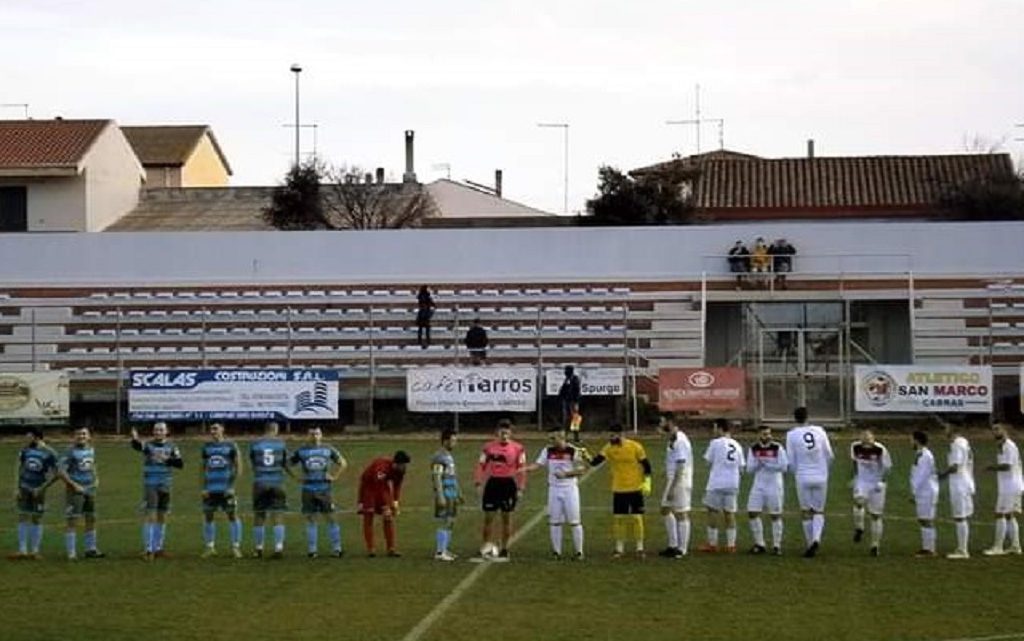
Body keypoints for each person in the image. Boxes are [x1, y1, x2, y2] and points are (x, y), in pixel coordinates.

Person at [586, 423, 652, 558]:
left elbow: (647, 466)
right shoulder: (609, 448)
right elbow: (595, 462)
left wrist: (647, 483)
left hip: (635, 488)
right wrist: (585, 455)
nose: (610, 438)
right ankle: (619, 548)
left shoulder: (635, 447)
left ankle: (639, 548)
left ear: (621, 434)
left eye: (612, 435)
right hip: (619, 488)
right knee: (619, 519)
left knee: (636, 518)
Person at [522, 430, 587, 560]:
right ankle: (556, 552)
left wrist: (566, 474)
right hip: (554, 489)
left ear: (561, 437)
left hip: (570, 489)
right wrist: (526, 469)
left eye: (553, 438)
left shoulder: (573, 450)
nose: (551, 441)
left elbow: (582, 469)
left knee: (574, 521)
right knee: (555, 521)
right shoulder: (547, 450)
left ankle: (579, 551)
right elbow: (538, 464)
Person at [474, 419, 527, 561]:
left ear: (511, 433)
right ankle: (485, 546)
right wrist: (478, 482)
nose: (504, 434)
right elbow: (481, 465)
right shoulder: (488, 448)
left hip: (508, 484)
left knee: (507, 518)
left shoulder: (518, 448)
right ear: (497, 432)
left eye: (507, 432)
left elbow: (521, 469)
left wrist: (521, 487)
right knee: (488, 518)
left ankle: (505, 548)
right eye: (502, 432)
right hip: (493, 484)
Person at [290, 426, 346, 558]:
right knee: (311, 519)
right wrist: (296, 477)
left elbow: (343, 463)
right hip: (308, 489)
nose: (315, 436)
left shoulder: (328, 449)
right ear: (307, 436)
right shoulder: (301, 451)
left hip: (324, 489)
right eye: (312, 434)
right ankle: (312, 550)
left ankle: (337, 549)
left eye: (317, 433)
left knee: (331, 518)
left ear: (321, 435)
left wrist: (334, 476)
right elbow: (287, 463)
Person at [131, 422, 184, 561]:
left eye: (161, 430)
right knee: (151, 515)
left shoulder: (172, 446)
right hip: (151, 484)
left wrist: (168, 460)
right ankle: (148, 549)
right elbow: (137, 446)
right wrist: (134, 438)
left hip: (165, 484)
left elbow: (180, 464)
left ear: (167, 432)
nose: (158, 432)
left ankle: (158, 548)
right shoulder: (148, 445)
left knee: (162, 516)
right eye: (156, 430)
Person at [785, 407, 834, 558]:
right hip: (820, 476)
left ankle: (809, 543)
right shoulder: (820, 431)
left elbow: (790, 460)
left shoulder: (791, 435)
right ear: (808, 417)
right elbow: (830, 455)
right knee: (819, 510)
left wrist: (796, 473)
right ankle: (816, 539)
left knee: (806, 512)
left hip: (803, 476)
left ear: (794, 418)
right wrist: (824, 470)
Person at [10, 428, 59, 560]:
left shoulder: (49, 453)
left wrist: (43, 487)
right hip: (24, 488)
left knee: (37, 518)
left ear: (37, 438)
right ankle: (22, 550)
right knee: (22, 516)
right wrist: (17, 487)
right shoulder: (25, 450)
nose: (26, 440)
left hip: (38, 491)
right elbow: (19, 468)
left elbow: (57, 473)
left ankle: (35, 551)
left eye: (29, 437)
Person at [699, 419, 745, 553]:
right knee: (729, 513)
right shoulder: (737, 445)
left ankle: (712, 544)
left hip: (717, 482)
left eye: (715, 428)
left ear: (719, 428)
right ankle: (731, 545)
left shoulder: (715, 443)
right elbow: (742, 468)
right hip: (733, 483)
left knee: (713, 511)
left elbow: (708, 462)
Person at [200, 423, 244, 559]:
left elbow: (239, 467)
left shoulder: (231, 446)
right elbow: (202, 468)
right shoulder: (206, 447)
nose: (213, 432)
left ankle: (236, 547)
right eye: (211, 429)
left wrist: (232, 486)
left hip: (226, 488)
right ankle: (210, 547)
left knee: (232, 515)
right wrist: (203, 487)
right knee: (208, 516)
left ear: (222, 430)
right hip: (210, 489)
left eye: (216, 429)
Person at [60, 427, 104, 560]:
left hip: (90, 489)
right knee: (72, 520)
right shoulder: (69, 451)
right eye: (78, 434)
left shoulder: (91, 449)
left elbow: (93, 465)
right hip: (75, 491)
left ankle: (91, 549)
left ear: (89, 436)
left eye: (84, 434)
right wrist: (74, 485)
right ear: (74, 436)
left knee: (91, 518)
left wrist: (96, 478)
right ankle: (71, 552)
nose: (81, 436)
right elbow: (61, 471)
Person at [249, 421, 291, 559]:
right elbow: (285, 463)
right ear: (275, 429)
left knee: (259, 515)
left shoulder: (255, 443)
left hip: (260, 482)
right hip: (277, 482)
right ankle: (278, 548)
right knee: (278, 515)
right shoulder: (281, 443)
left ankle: (258, 548)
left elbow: (253, 462)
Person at [358, 450, 411, 557]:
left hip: (382, 486)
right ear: (397, 463)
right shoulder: (381, 468)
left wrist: (395, 501)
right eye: (403, 464)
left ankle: (391, 548)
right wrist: (386, 505)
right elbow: (378, 486)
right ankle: (371, 549)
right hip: (369, 486)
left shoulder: (400, 471)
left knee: (388, 517)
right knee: (369, 516)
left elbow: (397, 485)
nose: (405, 467)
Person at [746, 425, 788, 555]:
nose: (768, 436)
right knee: (752, 512)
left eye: (769, 434)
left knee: (775, 515)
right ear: (759, 435)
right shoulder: (753, 448)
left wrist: (767, 465)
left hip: (774, 485)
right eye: (764, 434)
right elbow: (749, 469)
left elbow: (784, 466)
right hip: (758, 484)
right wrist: (758, 465)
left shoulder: (778, 448)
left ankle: (776, 545)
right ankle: (760, 543)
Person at [850, 429, 892, 556]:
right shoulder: (855, 446)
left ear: (873, 439)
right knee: (858, 502)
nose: (866, 443)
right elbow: (854, 462)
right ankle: (859, 527)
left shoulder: (881, 450)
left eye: (869, 440)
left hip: (876, 483)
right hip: (862, 482)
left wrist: (881, 481)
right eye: (864, 440)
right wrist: (855, 477)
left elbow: (888, 467)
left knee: (875, 515)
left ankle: (875, 545)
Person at [982, 424, 1022, 556]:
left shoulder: (1008, 446)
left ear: (1005, 430)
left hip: (1010, 486)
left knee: (999, 514)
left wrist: (990, 467)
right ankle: (1015, 546)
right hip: (1011, 485)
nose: (994, 432)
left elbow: (1007, 466)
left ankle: (998, 547)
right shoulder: (1003, 445)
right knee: (1009, 515)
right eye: (993, 429)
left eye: (997, 429)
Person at [938, 422, 975, 560]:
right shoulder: (964, 442)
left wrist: (942, 475)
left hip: (960, 484)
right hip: (965, 482)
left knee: (960, 517)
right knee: (961, 516)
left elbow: (955, 466)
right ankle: (962, 548)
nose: (944, 431)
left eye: (946, 428)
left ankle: (962, 550)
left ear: (953, 430)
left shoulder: (957, 444)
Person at [658, 414, 693, 559]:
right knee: (665, 509)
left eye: (662, 422)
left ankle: (682, 548)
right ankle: (673, 545)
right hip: (673, 479)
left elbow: (681, 465)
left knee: (681, 513)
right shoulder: (673, 439)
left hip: (680, 480)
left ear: (670, 423)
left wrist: (672, 487)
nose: (660, 425)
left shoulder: (680, 440)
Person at [432, 429, 462, 562]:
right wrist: (440, 495)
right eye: (453, 440)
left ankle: (445, 549)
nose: (455, 443)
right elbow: (437, 476)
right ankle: (439, 551)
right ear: (445, 441)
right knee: (444, 520)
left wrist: (458, 492)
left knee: (451, 520)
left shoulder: (448, 456)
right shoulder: (439, 457)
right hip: (445, 490)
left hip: (452, 491)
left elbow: (453, 475)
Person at [909, 430, 939, 558]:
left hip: (926, 491)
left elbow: (921, 476)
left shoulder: (925, 456)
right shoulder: (921, 454)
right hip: (924, 491)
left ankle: (930, 549)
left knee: (926, 520)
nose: (910, 442)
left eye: (911, 440)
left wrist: (913, 492)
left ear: (917, 440)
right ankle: (927, 547)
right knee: (923, 519)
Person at [558, 365, 582, 441]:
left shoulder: (575, 379)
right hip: (566, 401)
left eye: (566, 371)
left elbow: (577, 391)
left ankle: (576, 437)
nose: (565, 372)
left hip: (572, 402)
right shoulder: (567, 379)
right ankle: (565, 436)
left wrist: (576, 402)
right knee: (566, 419)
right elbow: (562, 390)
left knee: (574, 419)